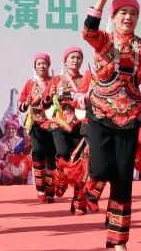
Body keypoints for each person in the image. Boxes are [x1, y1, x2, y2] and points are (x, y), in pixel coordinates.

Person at [76, 0, 141, 251]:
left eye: (133, 14)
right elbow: (88, 31)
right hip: (100, 112)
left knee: (122, 178)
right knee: (100, 168)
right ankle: (90, 189)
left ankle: (118, 239)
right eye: (123, 13)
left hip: (130, 116)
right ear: (114, 17)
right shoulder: (104, 41)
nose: (128, 17)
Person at [49, 47, 91, 214]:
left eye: (78, 57)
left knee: (81, 163)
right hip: (59, 124)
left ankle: (79, 200)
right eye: (72, 57)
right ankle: (60, 179)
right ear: (65, 61)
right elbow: (45, 104)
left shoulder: (87, 80)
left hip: (80, 125)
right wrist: (49, 96)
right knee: (62, 153)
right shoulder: (57, 80)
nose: (75, 60)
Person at [19, 52, 57, 203]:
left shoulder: (54, 81)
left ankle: (50, 189)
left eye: (44, 63)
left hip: (53, 124)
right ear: (35, 66)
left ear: (49, 65)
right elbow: (21, 106)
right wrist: (27, 103)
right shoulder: (30, 84)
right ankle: (40, 187)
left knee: (51, 156)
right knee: (38, 152)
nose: (42, 66)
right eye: (39, 63)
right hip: (36, 124)